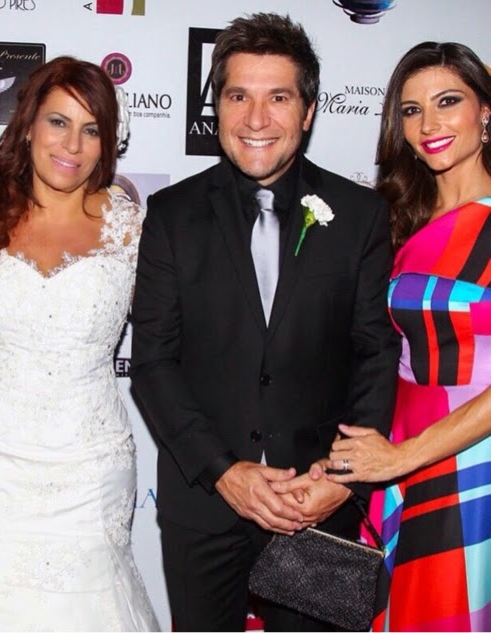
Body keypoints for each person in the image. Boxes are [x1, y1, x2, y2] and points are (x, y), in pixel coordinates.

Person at [130, 11, 400, 632]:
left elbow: (375, 353)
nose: (256, 119)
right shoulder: (172, 214)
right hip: (205, 505)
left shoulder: (359, 214)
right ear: (216, 107)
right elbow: (153, 362)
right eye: (238, 97)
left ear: (308, 111)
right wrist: (225, 473)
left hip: (318, 503)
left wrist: (343, 480)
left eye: (278, 97)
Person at [0, 55, 159, 632]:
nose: (73, 144)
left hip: (89, 473)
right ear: (28, 125)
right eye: (58, 122)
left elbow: (177, 344)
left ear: (108, 142)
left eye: (91, 129)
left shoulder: (131, 229)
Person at [308, 41, 491, 632]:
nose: (429, 124)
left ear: (486, 111)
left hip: (471, 457)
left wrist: (403, 457)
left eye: (448, 102)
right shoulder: (397, 218)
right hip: (395, 450)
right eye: (412, 110)